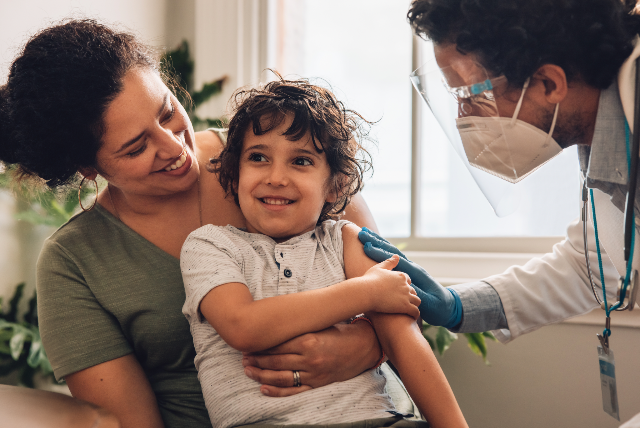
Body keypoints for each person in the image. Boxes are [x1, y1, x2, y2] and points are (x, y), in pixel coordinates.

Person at [0, 19, 400, 428]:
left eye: (167, 111)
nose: (174, 147)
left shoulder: (284, 157)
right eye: (137, 147)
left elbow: (398, 291)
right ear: (89, 168)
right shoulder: (73, 263)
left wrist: (368, 346)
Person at [358, 0, 640, 426]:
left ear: (549, 83)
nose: (462, 118)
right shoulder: (601, 128)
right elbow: (595, 265)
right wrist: (458, 306)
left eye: (470, 94)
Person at [180, 77, 468, 428]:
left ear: (334, 186)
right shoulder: (209, 246)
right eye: (258, 157)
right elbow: (244, 327)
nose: (276, 177)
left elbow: (403, 339)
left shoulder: (344, 241)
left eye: (300, 161)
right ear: (234, 172)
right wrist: (366, 292)